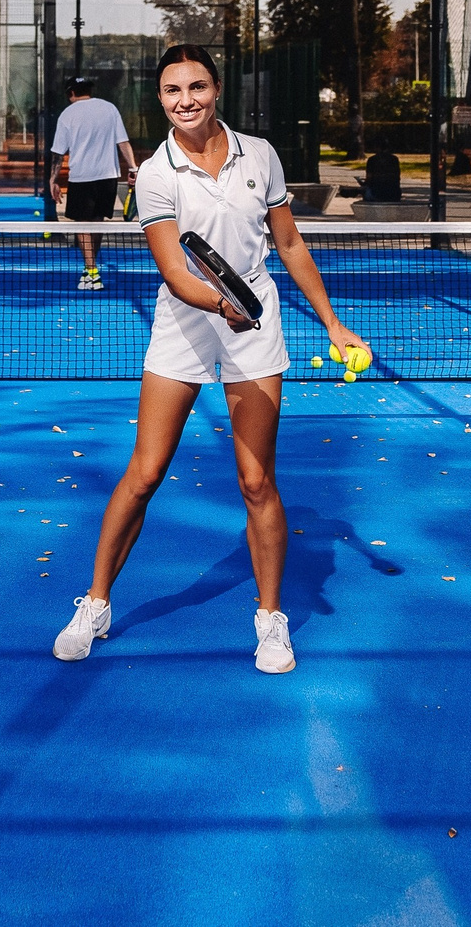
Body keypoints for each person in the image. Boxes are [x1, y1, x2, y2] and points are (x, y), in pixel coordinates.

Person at [51, 44, 367, 675]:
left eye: (196, 87)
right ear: (160, 99)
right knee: (144, 473)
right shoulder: (155, 173)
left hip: (256, 321)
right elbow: (174, 270)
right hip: (187, 322)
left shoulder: (261, 155)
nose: (185, 100)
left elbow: (290, 242)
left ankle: (270, 621)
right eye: (172, 91)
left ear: (217, 89)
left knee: (256, 481)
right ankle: (95, 602)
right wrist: (223, 304)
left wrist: (333, 324)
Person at [48, 75, 136, 289]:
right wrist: (133, 168)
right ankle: (90, 269)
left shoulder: (67, 114)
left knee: (83, 225)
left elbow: (58, 153)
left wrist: (53, 180)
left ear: (70, 93)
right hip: (108, 177)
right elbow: (123, 141)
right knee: (96, 222)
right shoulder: (109, 108)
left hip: (82, 178)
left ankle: (92, 272)